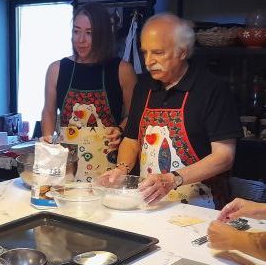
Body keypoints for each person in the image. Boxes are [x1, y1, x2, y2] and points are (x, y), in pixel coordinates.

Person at [101, 13, 241, 209]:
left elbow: (224, 157)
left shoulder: (212, 89)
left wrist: (172, 179)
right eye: (145, 52)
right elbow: (132, 140)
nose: (149, 61)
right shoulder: (143, 87)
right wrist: (121, 169)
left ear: (182, 51)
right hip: (150, 201)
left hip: (200, 206)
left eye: (158, 53)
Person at [41, 2, 137, 182]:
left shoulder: (122, 70)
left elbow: (135, 116)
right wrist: (47, 140)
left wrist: (121, 130)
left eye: (89, 33)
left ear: (102, 36)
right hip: (67, 166)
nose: (81, 40)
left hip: (109, 168)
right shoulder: (57, 69)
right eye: (76, 31)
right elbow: (48, 111)